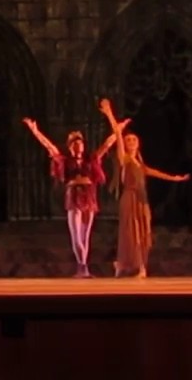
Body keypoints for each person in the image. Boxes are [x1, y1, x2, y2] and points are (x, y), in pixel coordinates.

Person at [98, 98, 189, 278]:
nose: (131, 141)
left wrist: (175, 178)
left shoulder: (140, 164)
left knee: (143, 233)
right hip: (129, 199)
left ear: (138, 143)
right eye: (129, 140)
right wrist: (109, 113)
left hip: (142, 200)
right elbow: (117, 133)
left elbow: (156, 172)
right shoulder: (125, 159)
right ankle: (126, 264)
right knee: (130, 233)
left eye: (134, 139)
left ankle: (140, 266)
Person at [21, 117, 116, 277]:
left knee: (85, 236)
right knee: (76, 235)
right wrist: (35, 131)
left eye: (80, 143)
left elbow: (106, 145)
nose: (78, 146)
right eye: (75, 144)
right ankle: (81, 267)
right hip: (73, 195)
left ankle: (84, 269)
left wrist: (117, 131)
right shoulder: (64, 160)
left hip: (88, 195)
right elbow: (49, 146)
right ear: (70, 147)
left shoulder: (91, 159)